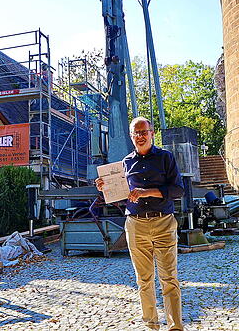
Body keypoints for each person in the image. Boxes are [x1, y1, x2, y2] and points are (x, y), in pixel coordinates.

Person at [95, 117, 184, 330]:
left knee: (169, 279)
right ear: (131, 136)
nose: (140, 136)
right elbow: (119, 193)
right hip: (135, 225)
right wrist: (104, 187)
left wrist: (148, 192)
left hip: (163, 222)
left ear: (152, 133)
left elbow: (179, 190)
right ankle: (151, 325)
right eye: (136, 133)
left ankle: (175, 327)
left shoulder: (166, 158)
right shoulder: (125, 163)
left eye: (144, 132)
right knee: (143, 280)